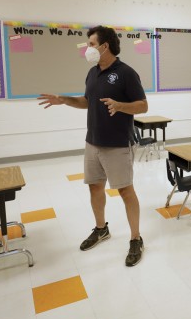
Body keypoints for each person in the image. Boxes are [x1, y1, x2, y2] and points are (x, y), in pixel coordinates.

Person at [38, 25, 148, 266]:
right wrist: (63, 100)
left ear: (104, 46)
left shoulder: (126, 73)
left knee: (125, 191)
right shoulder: (92, 72)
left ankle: (136, 239)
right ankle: (101, 229)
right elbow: (87, 101)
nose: (87, 49)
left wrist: (120, 106)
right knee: (94, 188)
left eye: (90, 44)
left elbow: (142, 105)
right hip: (93, 142)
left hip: (117, 144)